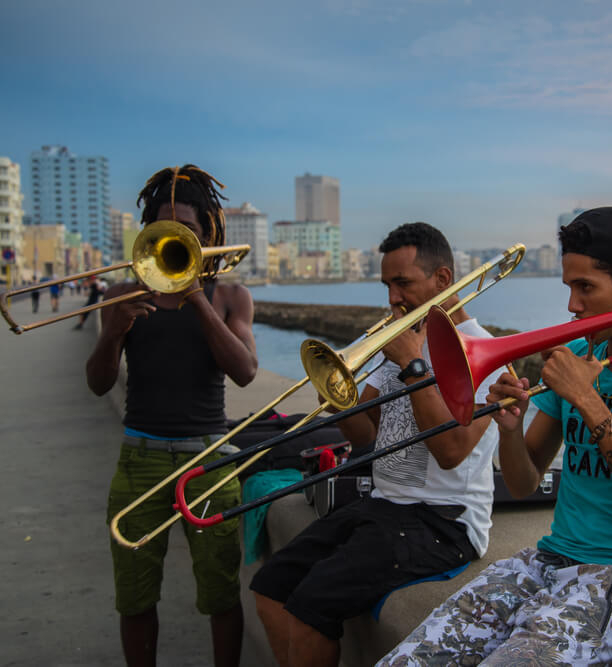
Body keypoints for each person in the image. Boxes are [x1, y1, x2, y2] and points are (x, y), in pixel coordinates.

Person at [379, 206, 612, 666]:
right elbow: (525, 481)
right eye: (570, 286)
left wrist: (588, 402)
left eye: (586, 287)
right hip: (543, 562)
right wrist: (511, 430)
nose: (572, 305)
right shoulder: (574, 357)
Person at [251, 222, 503, 667]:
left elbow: (450, 452)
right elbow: (367, 439)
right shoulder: (404, 343)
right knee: (271, 586)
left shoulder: (484, 352)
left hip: (443, 522)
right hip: (384, 505)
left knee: (312, 606)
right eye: (387, 284)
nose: (391, 298)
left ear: (443, 280)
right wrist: (339, 400)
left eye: (402, 283)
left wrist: (411, 364)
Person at [85, 165, 257, 667]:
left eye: (188, 231)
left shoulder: (230, 296)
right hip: (139, 460)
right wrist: (112, 332)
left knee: (221, 595)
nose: (176, 239)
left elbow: (246, 372)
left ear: (207, 235)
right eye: (165, 229)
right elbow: (98, 384)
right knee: (135, 598)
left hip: (208, 461)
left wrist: (198, 300)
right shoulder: (122, 296)